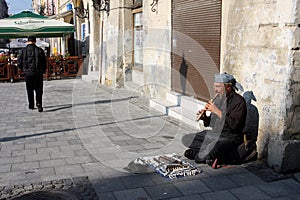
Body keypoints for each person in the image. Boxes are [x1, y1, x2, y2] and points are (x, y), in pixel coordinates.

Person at [182, 72, 247, 168]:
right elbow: (211, 124)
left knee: (202, 155)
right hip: (215, 134)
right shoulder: (218, 99)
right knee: (186, 139)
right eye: (214, 87)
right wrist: (205, 118)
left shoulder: (239, 101)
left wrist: (217, 111)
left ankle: (203, 153)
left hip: (230, 138)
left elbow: (234, 125)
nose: (216, 90)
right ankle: (208, 153)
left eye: (218, 87)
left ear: (228, 87)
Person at [17, 36, 47, 112]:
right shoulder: (40, 50)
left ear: (28, 41)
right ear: (35, 41)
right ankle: (39, 103)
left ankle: (31, 104)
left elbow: (19, 62)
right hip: (38, 73)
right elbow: (44, 62)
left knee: (29, 89)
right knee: (39, 89)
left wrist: (22, 69)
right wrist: (43, 70)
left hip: (28, 74)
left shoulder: (23, 51)